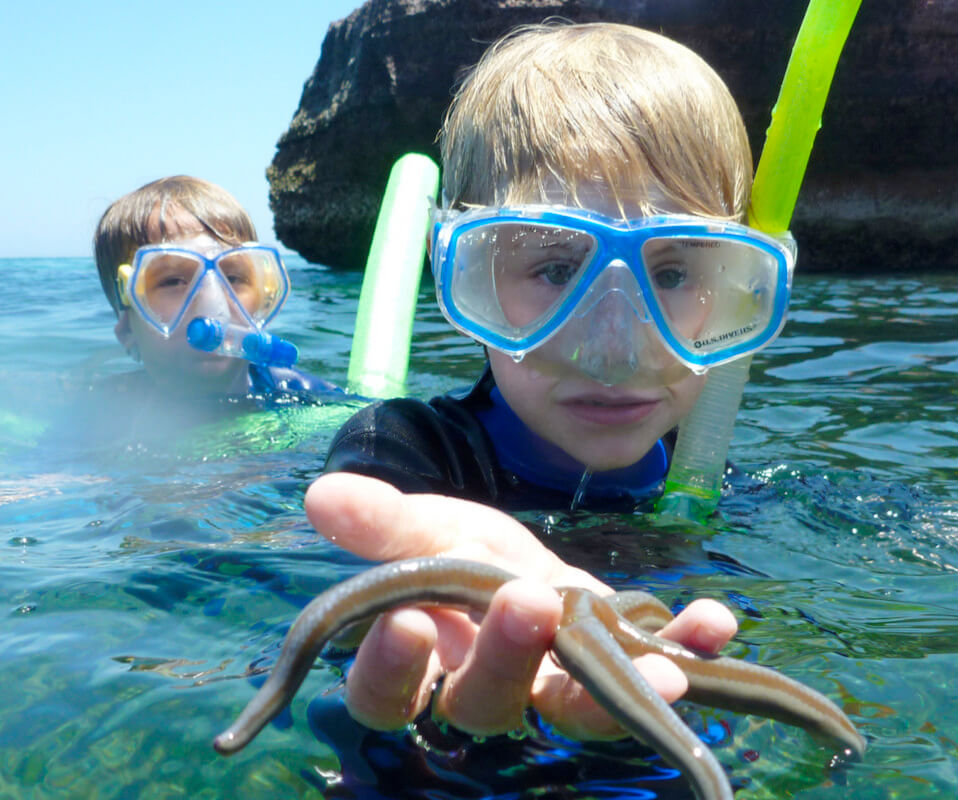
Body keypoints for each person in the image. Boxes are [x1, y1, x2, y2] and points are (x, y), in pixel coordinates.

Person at [306, 22, 794, 744]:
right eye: (558, 270)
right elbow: (352, 538)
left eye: (673, 274)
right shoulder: (410, 452)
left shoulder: (706, 473)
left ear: (735, 291)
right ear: (469, 284)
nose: (617, 346)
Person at [93, 175, 340, 401]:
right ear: (127, 332)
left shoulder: (307, 398)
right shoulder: (103, 413)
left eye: (233, 278)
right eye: (173, 281)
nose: (213, 304)